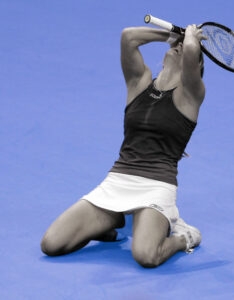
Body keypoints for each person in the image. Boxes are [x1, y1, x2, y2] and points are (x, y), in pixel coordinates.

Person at [41, 24, 206, 268]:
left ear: (197, 67)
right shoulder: (139, 83)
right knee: (52, 244)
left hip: (156, 187)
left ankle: (183, 236)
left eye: (185, 50)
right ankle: (115, 222)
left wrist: (191, 38)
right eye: (176, 46)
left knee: (145, 255)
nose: (179, 48)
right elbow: (129, 37)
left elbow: (192, 53)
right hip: (118, 181)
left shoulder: (191, 96)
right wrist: (174, 35)